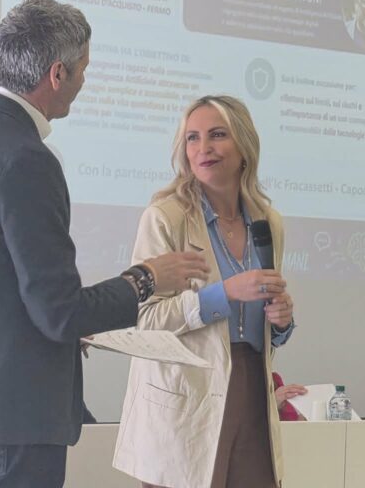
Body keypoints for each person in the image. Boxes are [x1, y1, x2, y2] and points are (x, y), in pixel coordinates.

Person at [0, 0, 209, 488]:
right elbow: (58, 313)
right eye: (84, 70)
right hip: (11, 416)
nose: (84, 82)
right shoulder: (27, 158)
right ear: (58, 74)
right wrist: (147, 278)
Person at [113, 95, 296, 488]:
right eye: (192, 138)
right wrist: (222, 294)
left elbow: (264, 324)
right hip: (185, 398)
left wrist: (282, 322)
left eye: (217, 135)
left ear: (244, 146)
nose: (203, 148)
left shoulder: (268, 222)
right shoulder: (165, 218)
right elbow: (144, 321)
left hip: (252, 390)